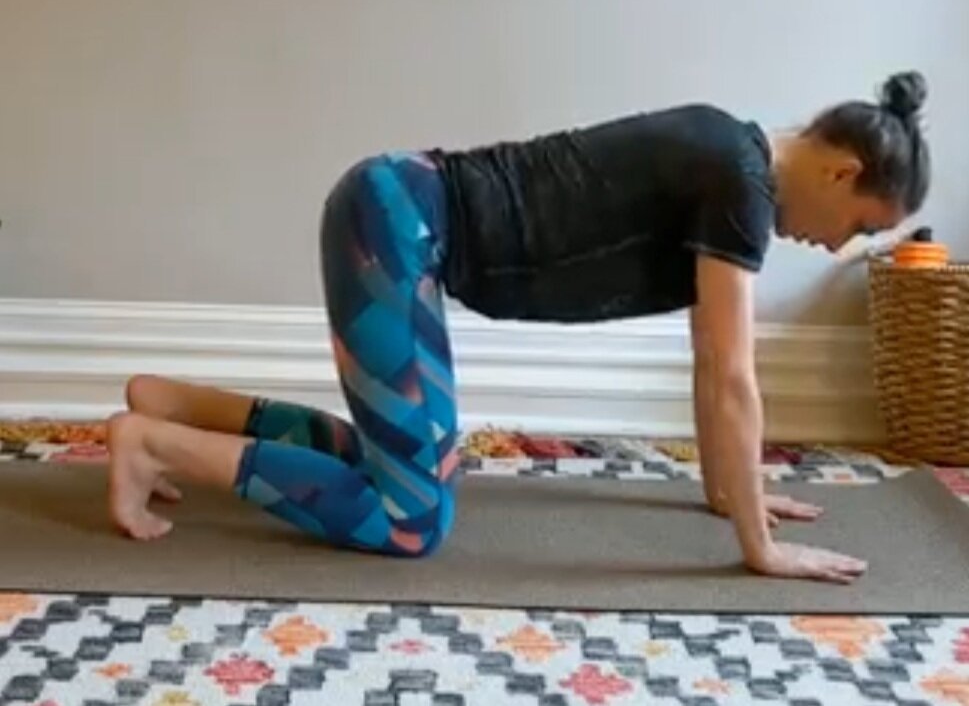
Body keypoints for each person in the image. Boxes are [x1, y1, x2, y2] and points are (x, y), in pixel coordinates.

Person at [108, 70, 930, 584]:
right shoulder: (738, 183)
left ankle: (180, 406)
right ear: (841, 170)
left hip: (394, 209)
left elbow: (707, 357)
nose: (834, 244)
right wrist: (758, 546)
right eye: (856, 223)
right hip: (395, 224)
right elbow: (729, 369)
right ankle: (155, 444)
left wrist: (729, 493)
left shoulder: (731, 160)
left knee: (414, 466)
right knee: (411, 518)